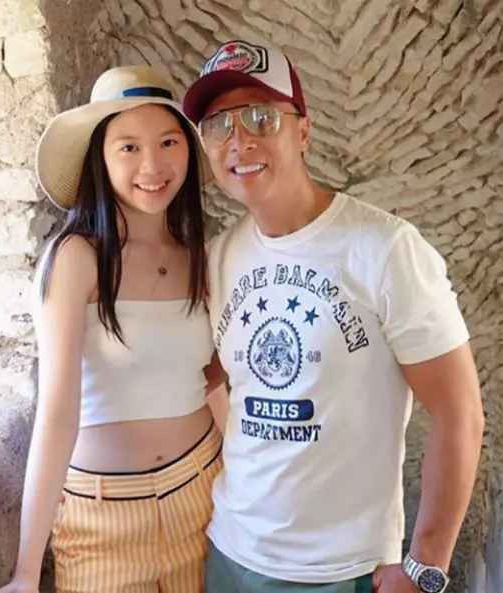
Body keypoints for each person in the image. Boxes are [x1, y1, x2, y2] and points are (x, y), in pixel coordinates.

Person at [182, 40, 484, 593]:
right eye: (218, 125)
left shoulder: (385, 249)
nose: (239, 139)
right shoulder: (219, 258)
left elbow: (459, 412)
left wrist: (425, 566)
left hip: (340, 572)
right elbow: (208, 378)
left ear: (303, 131)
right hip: (229, 554)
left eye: (260, 116)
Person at [0, 65, 224, 593]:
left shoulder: (199, 256)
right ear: (99, 156)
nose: (152, 165)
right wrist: (25, 573)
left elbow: (213, 382)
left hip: (205, 497)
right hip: (102, 521)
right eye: (128, 147)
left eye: (168, 142)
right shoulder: (76, 257)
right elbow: (57, 413)